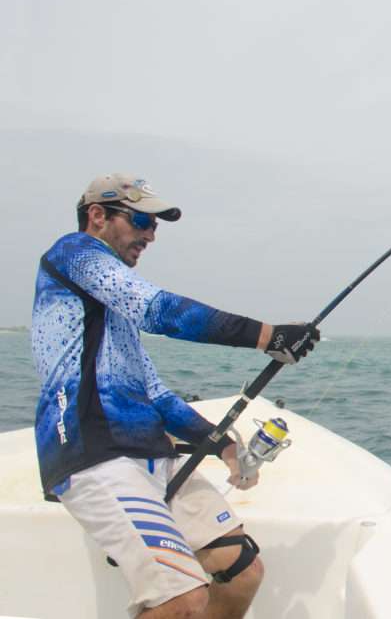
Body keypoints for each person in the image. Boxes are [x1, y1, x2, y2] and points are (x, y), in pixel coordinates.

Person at [30, 173, 319, 618]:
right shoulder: (74, 253)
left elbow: (155, 395)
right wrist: (268, 336)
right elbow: (160, 311)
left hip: (150, 454)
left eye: (154, 226)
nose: (150, 235)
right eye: (141, 220)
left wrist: (222, 445)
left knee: (242, 570)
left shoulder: (110, 309)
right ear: (97, 216)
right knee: (182, 598)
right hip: (94, 455)